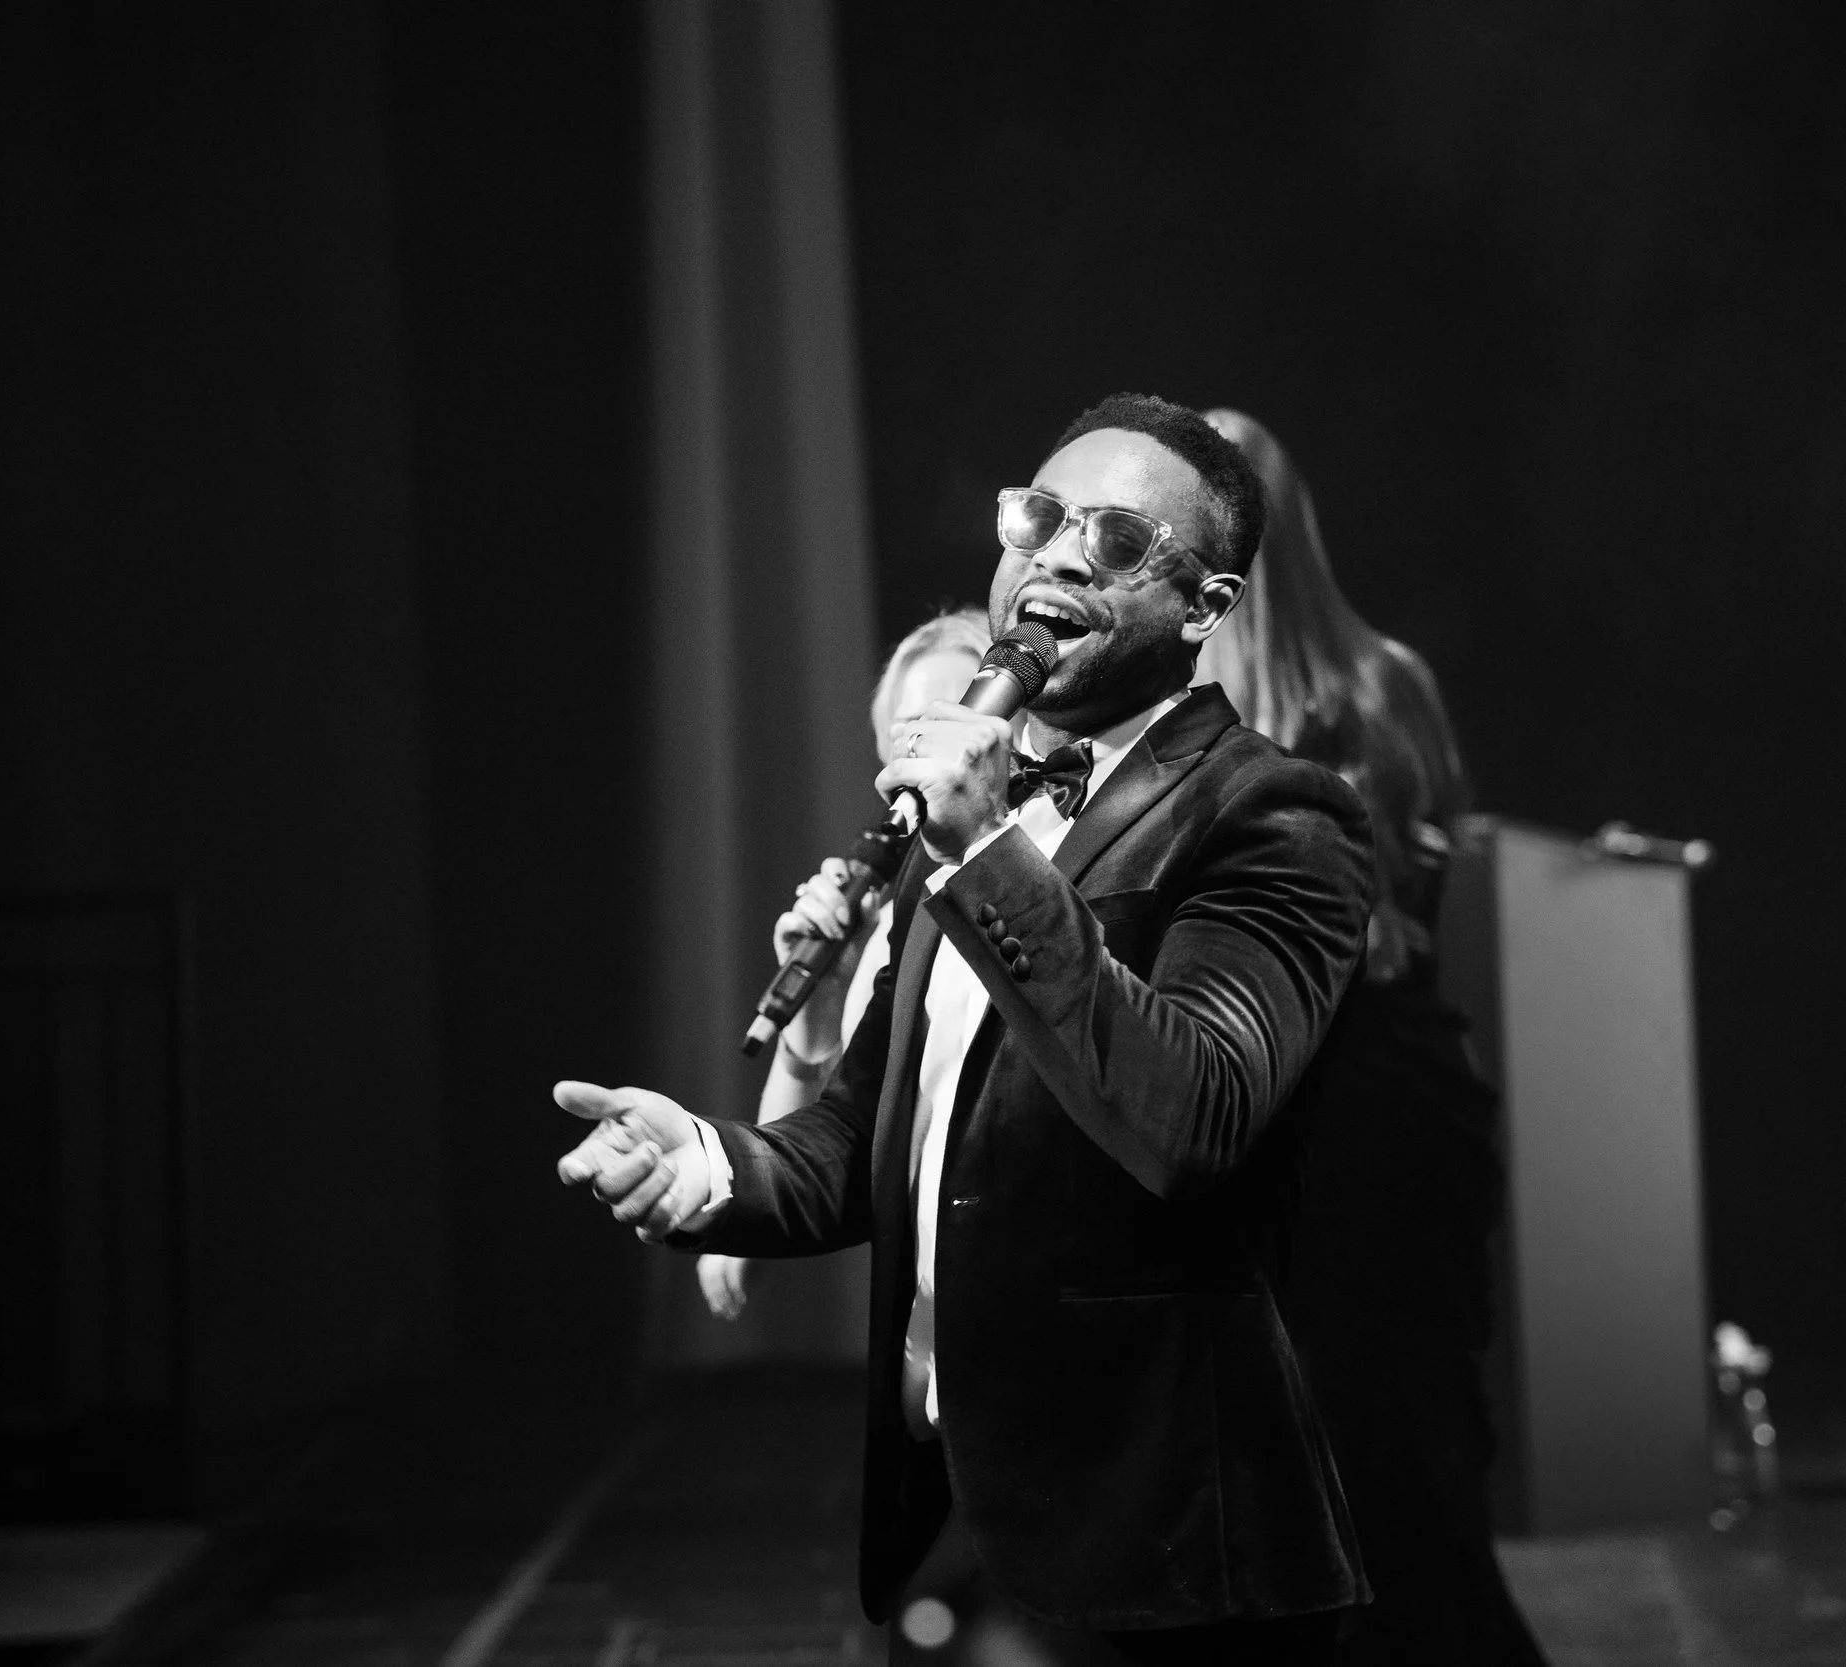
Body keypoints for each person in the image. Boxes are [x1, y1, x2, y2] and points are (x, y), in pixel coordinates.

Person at [558, 393, 1376, 1662]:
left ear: (1204, 608)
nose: (1052, 553)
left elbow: (1196, 1115)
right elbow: (873, 1127)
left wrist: (992, 850)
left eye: (1111, 541)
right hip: (958, 1512)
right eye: (1037, 518)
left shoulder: (1271, 816)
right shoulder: (965, 814)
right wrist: (708, 1165)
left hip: (1163, 1554)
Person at [1198, 410, 1547, 1667]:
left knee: (1328, 1483)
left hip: (1307, 1114)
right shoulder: (1389, 680)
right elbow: (1435, 862)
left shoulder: (1179, 713)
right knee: (1409, 1471)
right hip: (1400, 1097)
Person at [697, 607, 993, 1322]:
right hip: (923, 1348)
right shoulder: (896, 922)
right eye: (913, 736)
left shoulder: (1058, 894)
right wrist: (818, 1016)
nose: (934, 758)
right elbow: (811, 1175)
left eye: (954, 723)